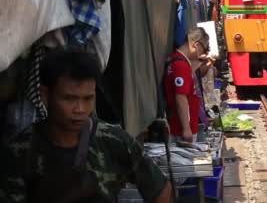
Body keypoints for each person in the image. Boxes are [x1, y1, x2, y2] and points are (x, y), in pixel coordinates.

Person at [0, 48, 172, 203]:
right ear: (45, 95)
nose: (80, 109)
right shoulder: (21, 151)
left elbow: (160, 190)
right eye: (69, 98)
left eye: (88, 98)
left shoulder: (115, 141)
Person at [164, 27, 209, 143]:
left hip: (181, 126)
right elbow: (181, 97)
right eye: (204, 49)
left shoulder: (178, 60)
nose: (203, 53)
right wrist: (186, 129)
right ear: (196, 45)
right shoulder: (181, 65)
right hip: (181, 130)